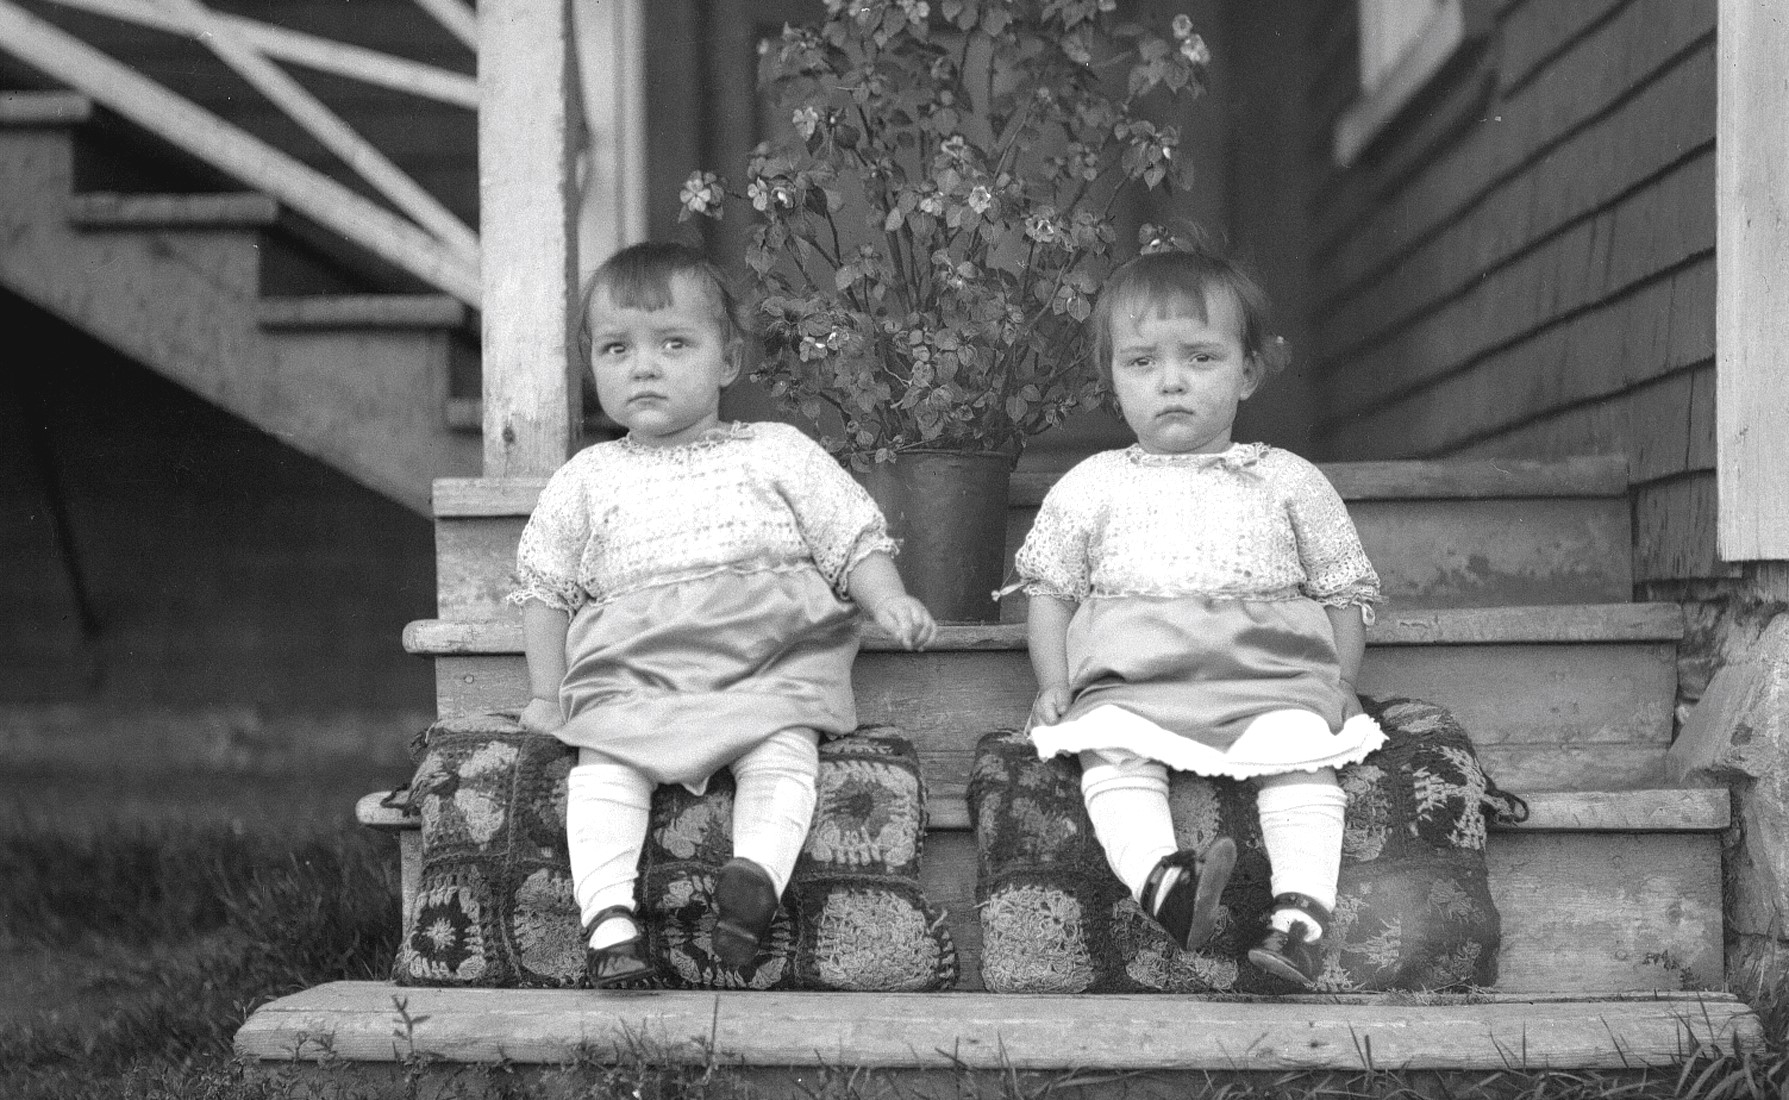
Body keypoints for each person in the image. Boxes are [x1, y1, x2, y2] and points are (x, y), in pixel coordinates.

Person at [510, 242, 937, 987]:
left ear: (729, 361)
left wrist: (887, 598)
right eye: (618, 348)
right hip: (637, 672)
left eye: (674, 344)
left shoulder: (776, 452)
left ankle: (753, 883)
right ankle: (608, 919)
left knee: (783, 748)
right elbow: (546, 589)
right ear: (593, 366)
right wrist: (548, 694)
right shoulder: (586, 477)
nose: (644, 365)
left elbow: (849, 537)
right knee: (604, 764)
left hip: (763, 661)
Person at [1013, 246, 1384, 989]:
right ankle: (1162, 883)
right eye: (1142, 363)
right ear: (1112, 379)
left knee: (1304, 754)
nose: (1172, 381)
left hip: (1268, 676)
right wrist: (1052, 682)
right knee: (1109, 750)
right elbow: (1047, 590)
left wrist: (1341, 681)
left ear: (1247, 372)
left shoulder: (1284, 478)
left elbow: (1345, 591)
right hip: (1136, 681)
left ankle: (1300, 923)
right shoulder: (1091, 484)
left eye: (1201, 357)